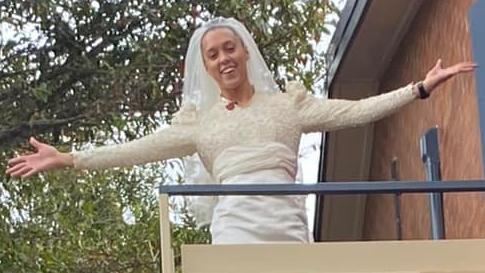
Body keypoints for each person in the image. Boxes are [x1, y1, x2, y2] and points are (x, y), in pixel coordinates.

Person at [5, 17, 477, 244]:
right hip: (236, 231)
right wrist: (69, 159)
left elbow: (353, 111)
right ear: (206, 67)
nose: (224, 58)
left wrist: (418, 88)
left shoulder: (288, 106)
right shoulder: (201, 124)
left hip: (287, 226)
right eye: (213, 54)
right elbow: (138, 149)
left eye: (229, 48)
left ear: (245, 51)